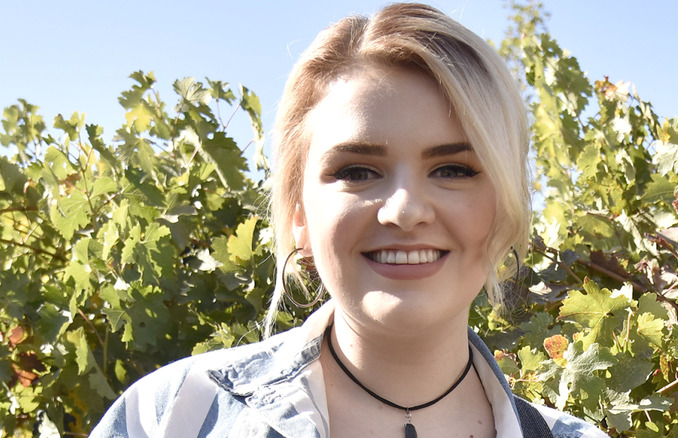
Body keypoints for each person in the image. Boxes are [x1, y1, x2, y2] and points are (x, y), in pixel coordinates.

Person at [91, 3, 607, 437]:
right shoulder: (169, 418)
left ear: (508, 207)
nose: (405, 209)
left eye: (453, 169)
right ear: (299, 215)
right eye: (357, 171)